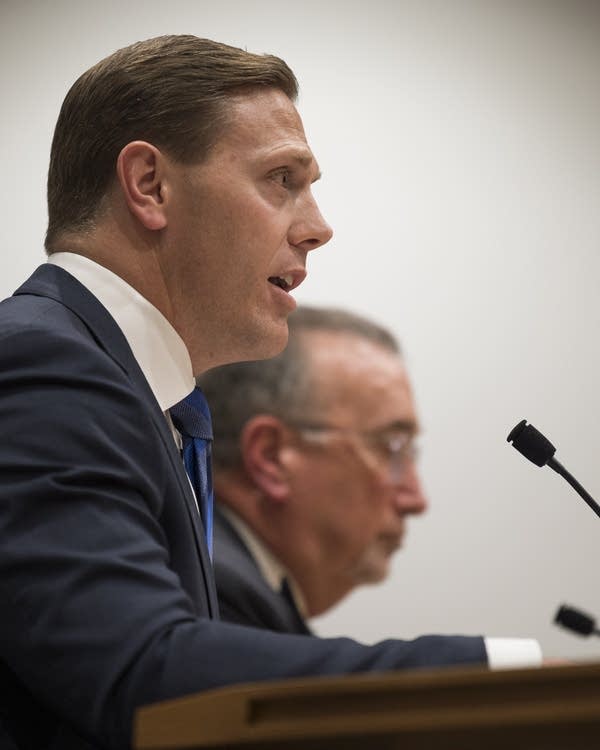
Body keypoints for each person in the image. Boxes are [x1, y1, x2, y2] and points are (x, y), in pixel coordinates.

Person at [0, 35, 540, 750]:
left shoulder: (134, 392)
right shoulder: (45, 362)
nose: (317, 228)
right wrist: (501, 675)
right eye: (282, 179)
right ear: (150, 186)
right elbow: (139, 669)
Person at [198, 305, 428, 633]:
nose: (415, 500)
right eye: (390, 447)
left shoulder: (249, 589)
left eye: (409, 453)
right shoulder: (212, 594)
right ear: (271, 457)